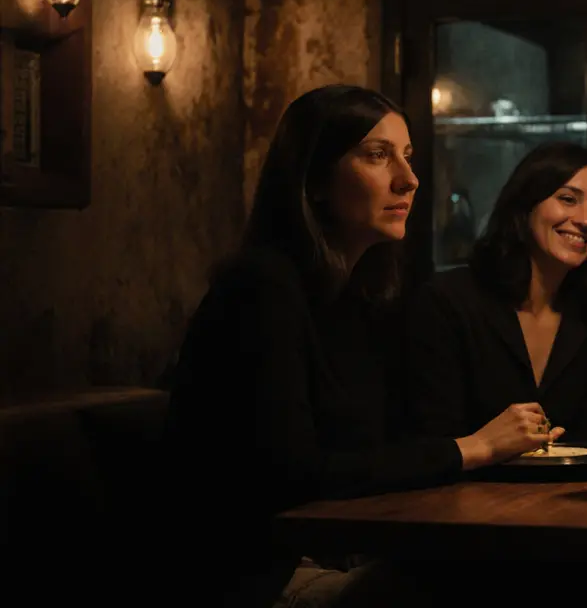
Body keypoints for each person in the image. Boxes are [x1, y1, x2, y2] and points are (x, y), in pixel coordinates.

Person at [158, 85, 554, 607]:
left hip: (341, 553)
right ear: (316, 179)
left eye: (408, 158)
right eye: (377, 155)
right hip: (254, 576)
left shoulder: (359, 298)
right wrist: (473, 448)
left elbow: (389, 443)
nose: (409, 179)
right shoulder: (261, 289)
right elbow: (291, 473)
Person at [409, 141, 587, 453]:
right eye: (567, 199)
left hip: (572, 495)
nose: (585, 220)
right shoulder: (449, 301)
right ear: (526, 204)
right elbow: (429, 438)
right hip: (464, 494)